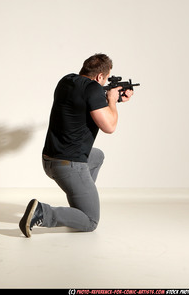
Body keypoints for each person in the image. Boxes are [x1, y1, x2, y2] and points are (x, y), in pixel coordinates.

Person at [19, 53, 134, 238]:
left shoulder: (66, 81)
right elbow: (110, 126)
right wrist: (112, 101)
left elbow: (86, 102)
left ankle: (79, 205)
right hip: (69, 165)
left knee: (97, 156)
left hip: (49, 160)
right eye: (104, 80)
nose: (103, 85)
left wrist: (114, 99)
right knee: (90, 221)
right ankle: (43, 212)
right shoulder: (95, 89)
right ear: (99, 77)